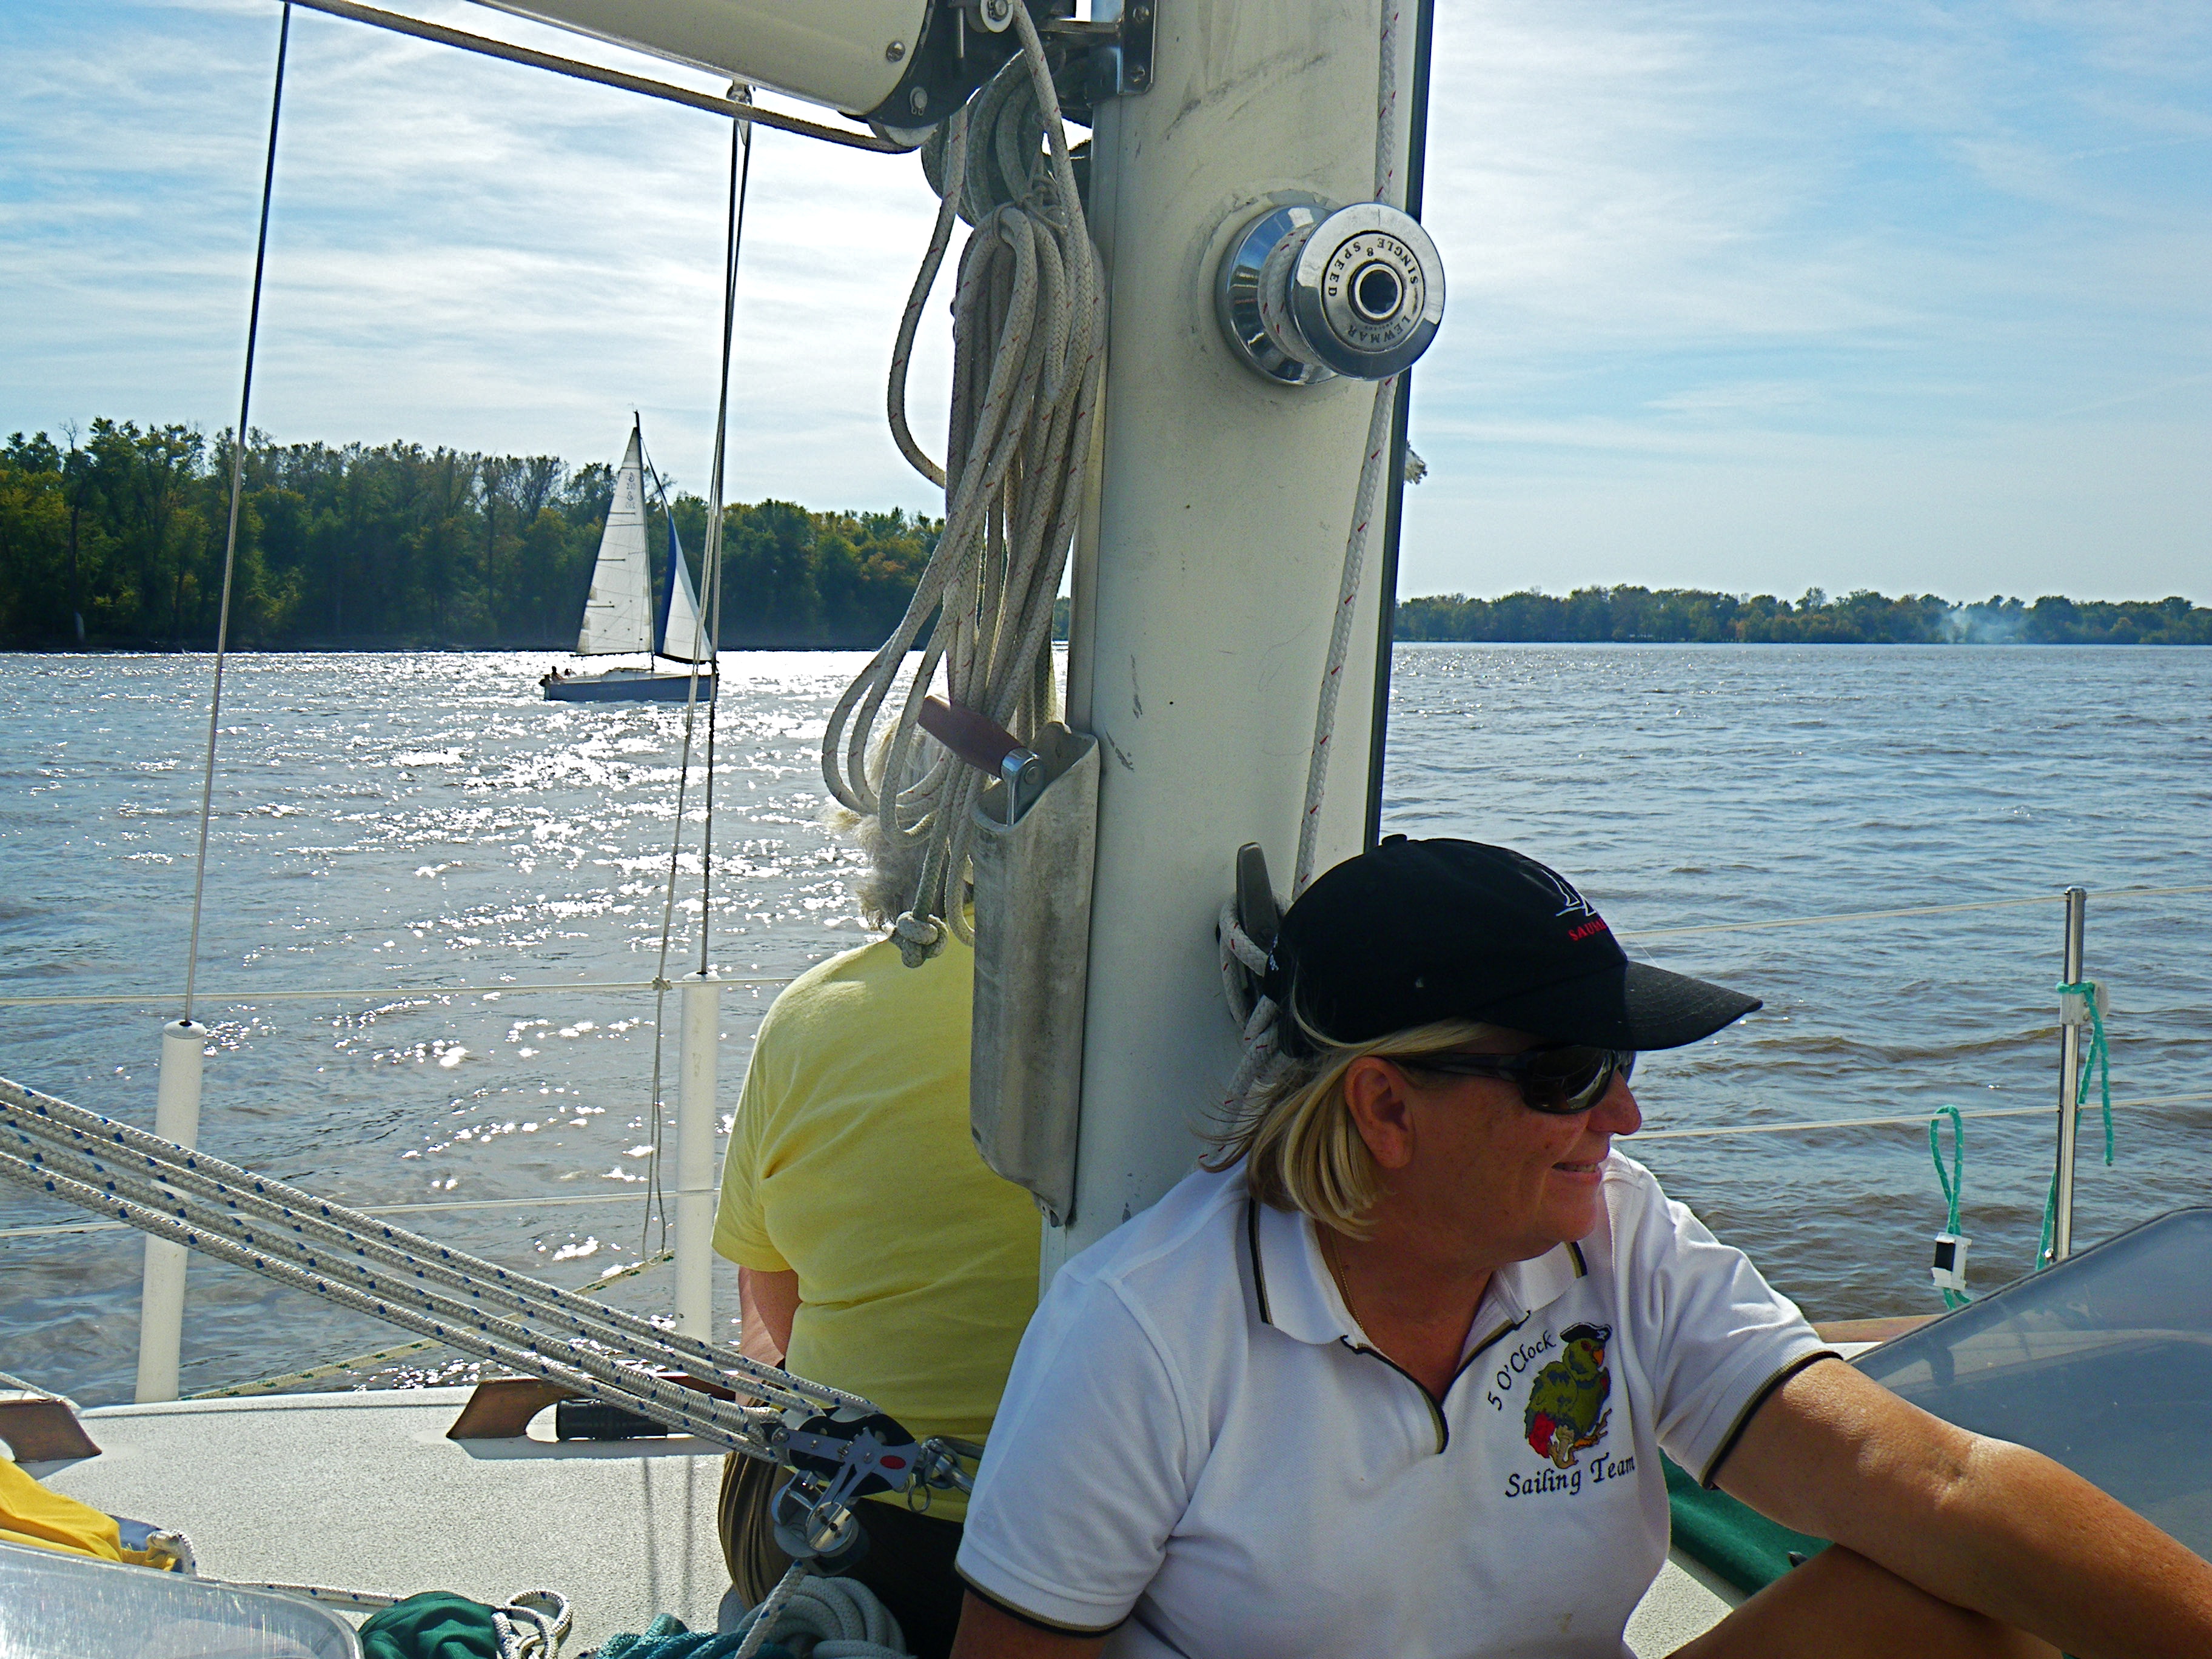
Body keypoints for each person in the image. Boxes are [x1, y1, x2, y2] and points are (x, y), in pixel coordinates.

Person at [947, 838, 2212, 1658]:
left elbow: (1945, 1487)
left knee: (1962, 1613)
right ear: (1385, 1107)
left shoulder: (1618, 1233)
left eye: (1622, 1062)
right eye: (1569, 1074)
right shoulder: (1142, 1333)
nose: (1623, 1115)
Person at [712, 773, 1042, 1659]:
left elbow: (769, 1293)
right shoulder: (1124, 1020)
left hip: (854, 1545)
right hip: (1081, 1551)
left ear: (882, 833)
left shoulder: (807, 1015)